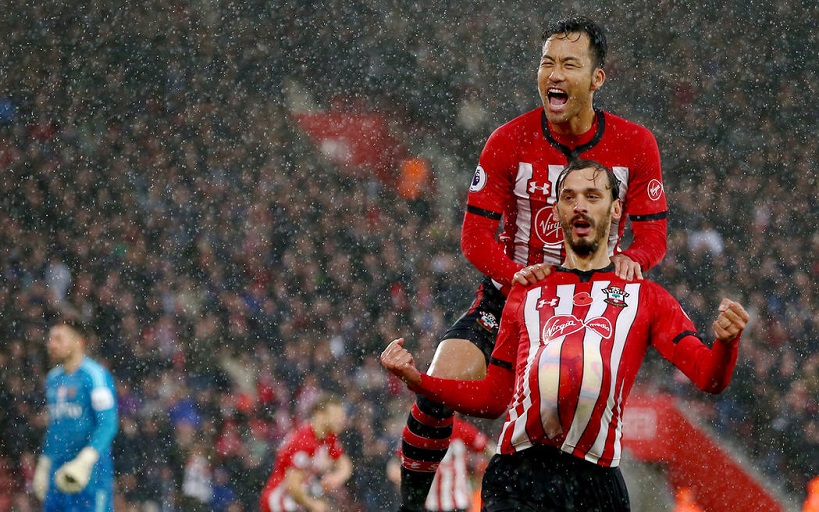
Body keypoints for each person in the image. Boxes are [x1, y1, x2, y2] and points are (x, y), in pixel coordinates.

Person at [397, 15, 668, 511]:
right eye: (547, 63)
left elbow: (653, 234)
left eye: (569, 64)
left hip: (588, 313)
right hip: (510, 298)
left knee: (566, 433)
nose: (555, 74)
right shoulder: (508, 140)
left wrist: (635, 259)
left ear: (597, 78)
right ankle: (409, 507)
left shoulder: (635, 145)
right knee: (441, 381)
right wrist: (513, 275)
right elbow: (474, 236)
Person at [383, 160, 747, 511]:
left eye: (592, 196)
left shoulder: (647, 298)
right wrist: (420, 381)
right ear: (556, 212)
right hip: (517, 478)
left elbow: (708, 377)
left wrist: (727, 344)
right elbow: (495, 397)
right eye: (569, 197)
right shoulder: (526, 291)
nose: (579, 206)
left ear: (616, 209)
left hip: (596, 483)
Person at [33, 318, 119, 511]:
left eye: (58, 339)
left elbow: (108, 423)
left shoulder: (95, 375)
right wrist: (45, 463)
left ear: (78, 342)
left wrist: (85, 460)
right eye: (50, 339)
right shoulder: (53, 378)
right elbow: (55, 425)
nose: (51, 344)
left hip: (90, 474)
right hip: (57, 472)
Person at [259, 393, 353, 512]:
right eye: (336, 416)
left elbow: (345, 464)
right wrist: (313, 504)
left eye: (342, 416)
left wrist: (337, 477)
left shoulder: (328, 436)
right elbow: (292, 485)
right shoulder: (303, 441)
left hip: (296, 500)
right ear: (320, 415)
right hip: (279, 501)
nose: (341, 420)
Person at [387, 415, 494, 512]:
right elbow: (395, 464)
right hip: (431, 503)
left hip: (457, 501)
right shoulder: (419, 428)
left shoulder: (461, 428)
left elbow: (487, 447)